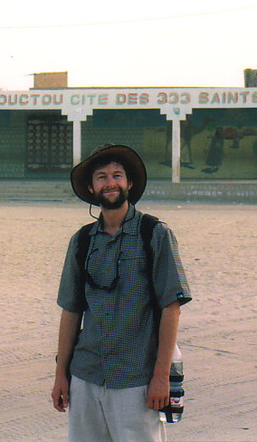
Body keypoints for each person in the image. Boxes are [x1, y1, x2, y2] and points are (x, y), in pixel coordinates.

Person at [52, 144, 192, 442]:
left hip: (136, 380)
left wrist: (160, 376)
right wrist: (61, 374)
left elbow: (171, 307)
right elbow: (71, 310)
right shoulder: (81, 241)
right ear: (91, 187)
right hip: (86, 375)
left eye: (117, 175)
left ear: (129, 183)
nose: (110, 182)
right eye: (101, 177)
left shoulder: (154, 234)